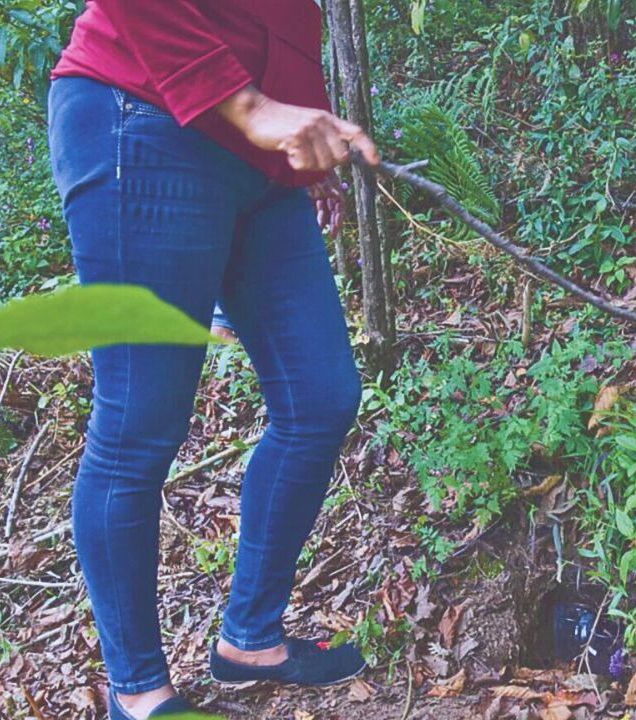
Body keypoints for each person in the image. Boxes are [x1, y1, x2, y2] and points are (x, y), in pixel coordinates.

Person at [45, 2, 379, 718]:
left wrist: (296, 135)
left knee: (321, 397)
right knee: (139, 425)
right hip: (141, 117)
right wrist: (255, 109)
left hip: (254, 156)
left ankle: (250, 639)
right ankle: (137, 694)